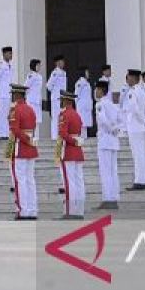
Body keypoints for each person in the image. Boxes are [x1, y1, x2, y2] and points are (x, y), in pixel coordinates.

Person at [6, 82, 38, 220]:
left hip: (19, 146)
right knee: (30, 179)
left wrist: (25, 139)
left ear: (17, 94)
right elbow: (33, 126)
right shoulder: (30, 109)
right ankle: (32, 209)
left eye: (13, 94)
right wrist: (29, 139)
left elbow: (14, 129)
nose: (12, 97)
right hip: (30, 146)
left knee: (20, 180)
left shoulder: (15, 109)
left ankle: (22, 210)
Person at [122, 69, 145, 190]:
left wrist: (142, 121)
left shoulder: (132, 92)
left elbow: (135, 110)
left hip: (135, 127)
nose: (127, 79)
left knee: (138, 154)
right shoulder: (142, 91)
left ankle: (140, 180)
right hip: (143, 128)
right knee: (144, 153)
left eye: (129, 77)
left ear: (134, 78)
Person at [57, 90, 86, 219]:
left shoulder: (64, 114)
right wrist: (76, 140)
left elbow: (63, 134)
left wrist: (72, 141)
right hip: (78, 151)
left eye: (62, 100)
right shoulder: (77, 114)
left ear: (65, 100)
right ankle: (79, 210)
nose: (61, 103)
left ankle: (70, 211)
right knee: (79, 181)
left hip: (68, 150)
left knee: (69, 182)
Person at [94, 80, 121, 209]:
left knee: (105, 171)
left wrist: (111, 128)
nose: (95, 92)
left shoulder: (100, 104)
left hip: (105, 140)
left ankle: (108, 198)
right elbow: (121, 120)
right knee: (113, 171)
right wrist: (116, 129)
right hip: (114, 140)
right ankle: (114, 197)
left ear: (101, 90)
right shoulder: (112, 104)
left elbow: (103, 119)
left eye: (97, 89)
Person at [0, 47, 15, 140]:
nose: (11, 55)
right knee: (1, 114)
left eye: (11, 53)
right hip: (2, 94)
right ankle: (1, 134)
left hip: (8, 94)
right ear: (4, 54)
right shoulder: (0, 66)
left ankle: (6, 134)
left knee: (7, 115)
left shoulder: (10, 66)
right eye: (9, 53)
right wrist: (2, 88)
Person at [45, 55, 68, 141]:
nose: (63, 63)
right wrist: (55, 93)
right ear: (57, 63)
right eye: (61, 62)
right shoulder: (55, 72)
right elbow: (48, 86)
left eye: (63, 61)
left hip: (62, 98)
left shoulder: (64, 73)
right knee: (55, 117)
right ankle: (54, 136)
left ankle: (61, 135)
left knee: (62, 117)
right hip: (56, 99)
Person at [24, 59, 44, 133]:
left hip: (37, 101)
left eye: (39, 65)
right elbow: (26, 87)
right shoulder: (31, 75)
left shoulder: (40, 76)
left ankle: (36, 138)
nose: (39, 67)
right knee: (30, 120)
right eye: (37, 65)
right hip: (31, 101)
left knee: (37, 120)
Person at [73, 66, 94, 136]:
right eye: (87, 72)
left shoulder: (87, 83)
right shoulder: (80, 82)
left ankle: (84, 138)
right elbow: (76, 95)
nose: (88, 74)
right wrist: (78, 105)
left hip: (86, 106)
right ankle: (81, 139)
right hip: (82, 107)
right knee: (81, 124)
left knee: (85, 125)